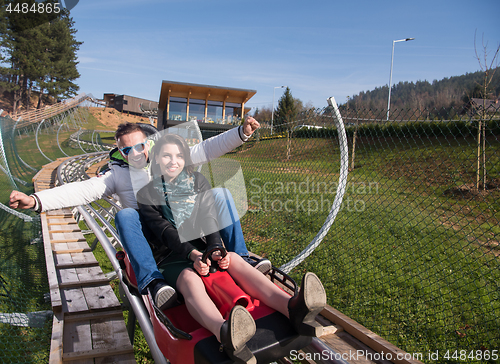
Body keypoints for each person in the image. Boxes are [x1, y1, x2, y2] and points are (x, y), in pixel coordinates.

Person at [9, 119, 271, 310]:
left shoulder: (165, 158)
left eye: (140, 146)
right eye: (127, 150)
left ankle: (243, 257)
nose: (135, 153)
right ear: (120, 152)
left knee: (221, 194)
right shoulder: (117, 176)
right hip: (152, 235)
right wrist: (36, 200)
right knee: (126, 216)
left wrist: (241, 133)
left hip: (181, 222)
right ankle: (153, 282)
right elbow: (83, 190)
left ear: (148, 144)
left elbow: (206, 149)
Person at [136, 133, 327, 364]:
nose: (173, 161)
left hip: (201, 247)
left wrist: (216, 247)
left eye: (178, 155)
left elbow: (208, 216)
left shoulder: (197, 181)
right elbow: (165, 232)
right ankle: (224, 332)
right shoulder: (146, 194)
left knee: (235, 259)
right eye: (166, 155)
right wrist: (193, 255)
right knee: (189, 279)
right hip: (172, 255)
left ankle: (291, 308)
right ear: (156, 159)